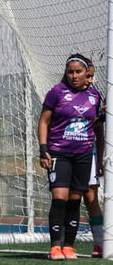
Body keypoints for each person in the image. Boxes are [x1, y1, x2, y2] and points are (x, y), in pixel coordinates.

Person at [38, 53, 102, 260]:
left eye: (78, 72)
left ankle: (69, 247)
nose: (74, 76)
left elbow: (96, 126)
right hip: (59, 152)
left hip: (83, 154)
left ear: (86, 74)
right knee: (59, 198)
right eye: (70, 72)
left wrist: (99, 158)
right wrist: (43, 149)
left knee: (75, 199)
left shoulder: (94, 96)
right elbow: (44, 122)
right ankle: (55, 247)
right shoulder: (57, 92)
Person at [82, 58, 105, 258]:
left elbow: (99, 130)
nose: (89, 80)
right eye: (87, 75)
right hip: (67, 154)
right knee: (68, 199)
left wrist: (99, 159)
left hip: (89, 154)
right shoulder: (61, 95)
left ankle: (99, 244)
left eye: (91, 76)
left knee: (91, 199)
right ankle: (63, 244)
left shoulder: (95, 96)